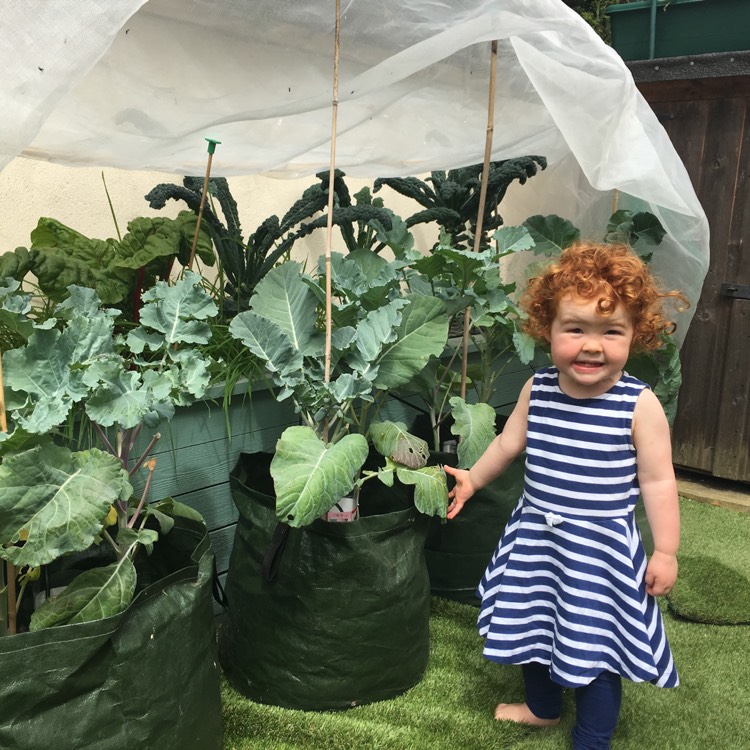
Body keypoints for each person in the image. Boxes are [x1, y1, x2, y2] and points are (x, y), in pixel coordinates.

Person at [443, 241, 687, 749]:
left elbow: (659, 482)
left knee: (595, 648)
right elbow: (509, 443)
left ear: (634, 335)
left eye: (611, 331)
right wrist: (473, 478)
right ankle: (542, 707)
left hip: (599, 554)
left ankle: (593, 738)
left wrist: (665, 550)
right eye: (575, 329)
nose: (592, 345)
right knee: (532, 627)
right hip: (536, 540)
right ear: (546, 330)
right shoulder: (539, 388)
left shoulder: (638, 406)